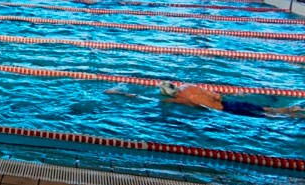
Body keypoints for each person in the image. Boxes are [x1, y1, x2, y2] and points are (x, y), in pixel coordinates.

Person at [107, 82, 304, 118]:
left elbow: (141, 99)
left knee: (271, 117)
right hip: (229, 103)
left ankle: (292, 114)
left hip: (224, 112)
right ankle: (293, 110)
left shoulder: (178, 100)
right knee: (268, 110)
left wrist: (119, 93)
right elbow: (218, 95)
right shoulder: (190, 87)